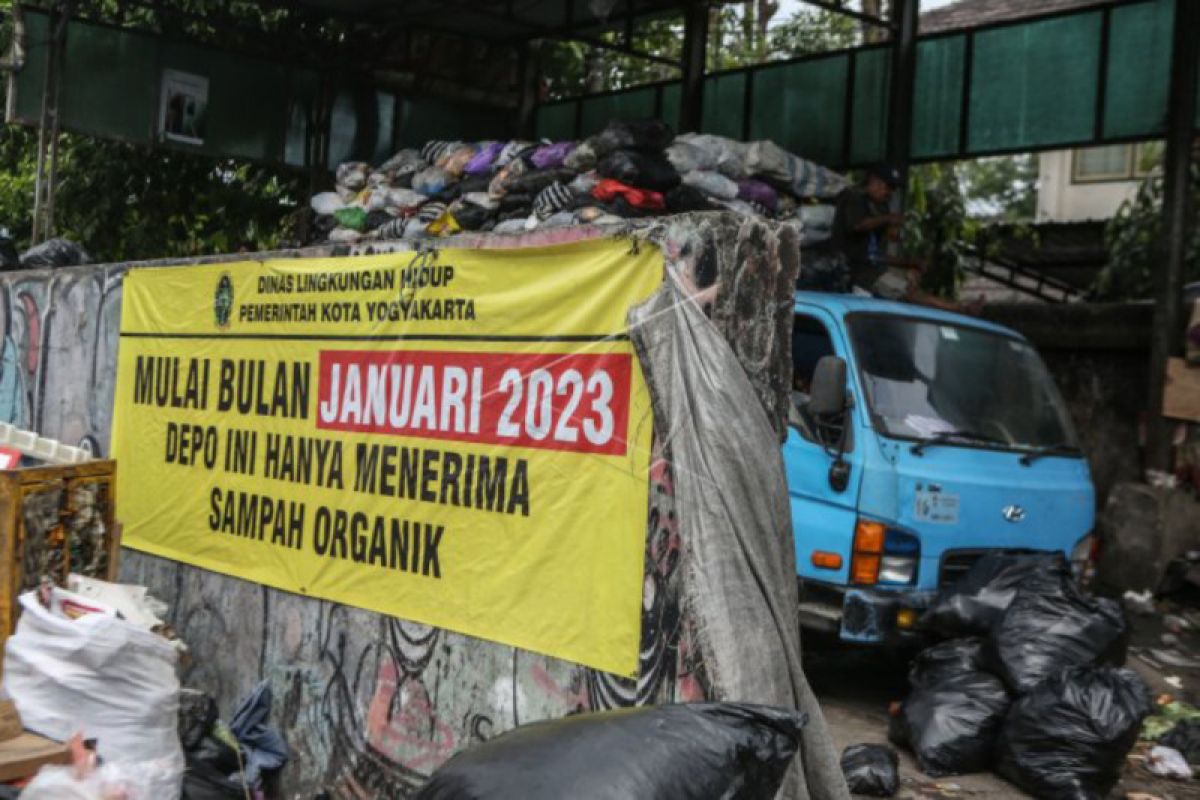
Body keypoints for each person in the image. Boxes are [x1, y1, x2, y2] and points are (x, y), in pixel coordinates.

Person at [831, 164, 979, 314]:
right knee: (906, 291)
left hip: (873, 268)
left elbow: (880, 252)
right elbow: (856, 225)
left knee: (911, 278)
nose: (890, 192)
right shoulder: (853, 196)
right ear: (874, 182)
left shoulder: (880, 206)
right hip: (853, 269)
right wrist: (887, 219)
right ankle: (960, 309)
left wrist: (912, 263)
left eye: (893, 188)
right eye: (888, 187)